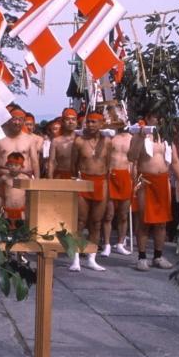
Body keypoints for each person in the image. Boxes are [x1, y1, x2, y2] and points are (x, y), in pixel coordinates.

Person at [127, 110, 179, 271]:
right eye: (155, 116)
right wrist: (139, 137)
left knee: (162, 222)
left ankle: (158, 255)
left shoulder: (166, 138)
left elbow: (175, 161)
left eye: (161, 117)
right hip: (145, 179)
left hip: (163, 180)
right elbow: (131, 157)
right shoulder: (140, 136)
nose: (159, 119)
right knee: (143, 220)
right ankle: (141, 257)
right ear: (147, 118)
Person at [69, 113, 112, 272]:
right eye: (88, 122)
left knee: (96, 222)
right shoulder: (79, 141)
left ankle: (91, 258)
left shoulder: (107, 142)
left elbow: (108, 165)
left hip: (101, 181)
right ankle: (75, 257)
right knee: (80, 221)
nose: (90, 125)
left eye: (94, 122)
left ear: (101, 124)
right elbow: (73, 166)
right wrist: (76, 182)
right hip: (83, 181)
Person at [0, 107, 40, 211]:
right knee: (0, 213)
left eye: (20, 119)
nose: (17, 122)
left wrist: (37, 181)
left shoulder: (30, 139)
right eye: (14, 119)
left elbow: (34, 162)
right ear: (9, 120)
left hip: (25, 178)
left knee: (25, 213)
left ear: (24, 121)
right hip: (2, 178)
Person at [101, 122, 133, 257]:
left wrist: (135, 179)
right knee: (109, 214)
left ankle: (120, 243)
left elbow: (134, 160)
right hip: (110, 174)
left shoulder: (131, 138)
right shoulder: (109, 136)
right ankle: (107, 244)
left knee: (123, 214)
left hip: (125, 175)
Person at [0, 152, 30, 228]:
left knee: (22, 230)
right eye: (10, 165)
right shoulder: (5, 178)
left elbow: (29, 192)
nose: (13, 167)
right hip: (8, 210)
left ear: (21, 167)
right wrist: (2, 195)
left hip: (21, 211)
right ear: (7, 165)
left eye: (16, 165)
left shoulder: (25, 178)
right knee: (7, 229)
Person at [47, 108, 78, 179]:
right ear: (63, 122)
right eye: (68, 119)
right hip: (61, 175)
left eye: (73, 119)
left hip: (78, 176)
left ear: (76, 122)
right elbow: (51, 162)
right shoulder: (56, 141)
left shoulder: (81, 140)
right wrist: (50, 179)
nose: (71, 122)